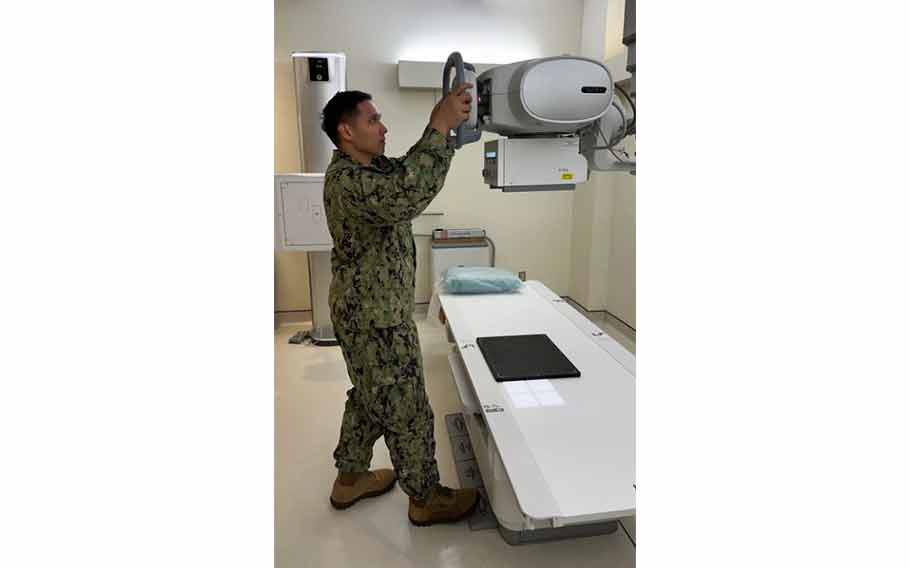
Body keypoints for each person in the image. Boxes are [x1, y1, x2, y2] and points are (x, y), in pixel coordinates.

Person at [320, 84, 480, 526]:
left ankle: (350, 479)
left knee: (371, 397)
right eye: (373, 120)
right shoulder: (349, 182)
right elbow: (408, 193)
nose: (383, 126)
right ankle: (425, 498)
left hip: (370, 310)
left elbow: (409, 171)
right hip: (375, 319)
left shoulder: (370, 169)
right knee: (405, 406)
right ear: (346, 131)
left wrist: (444, 136)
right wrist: (439, 124)